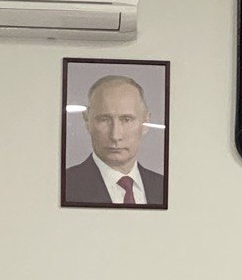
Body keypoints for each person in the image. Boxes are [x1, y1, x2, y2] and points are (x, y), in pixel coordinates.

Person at [63, 75, 166, 206]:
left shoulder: (164, 186)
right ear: (87, 120)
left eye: (127, 120)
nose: (115, 136)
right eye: (104, 120)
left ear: (146, 122)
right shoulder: (65, 185)